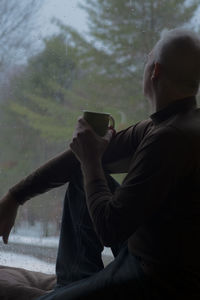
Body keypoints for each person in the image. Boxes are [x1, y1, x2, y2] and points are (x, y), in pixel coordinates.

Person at [1, 28, 200, 299]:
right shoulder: (169, 124)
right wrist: (15, 196)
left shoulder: (169, 138)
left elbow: (110, 228)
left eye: (147, 56)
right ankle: (73, 286)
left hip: (154, 277)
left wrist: (91, 161)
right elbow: (79, 158)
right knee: (81, 178)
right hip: (149, 248)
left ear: (155, 71)